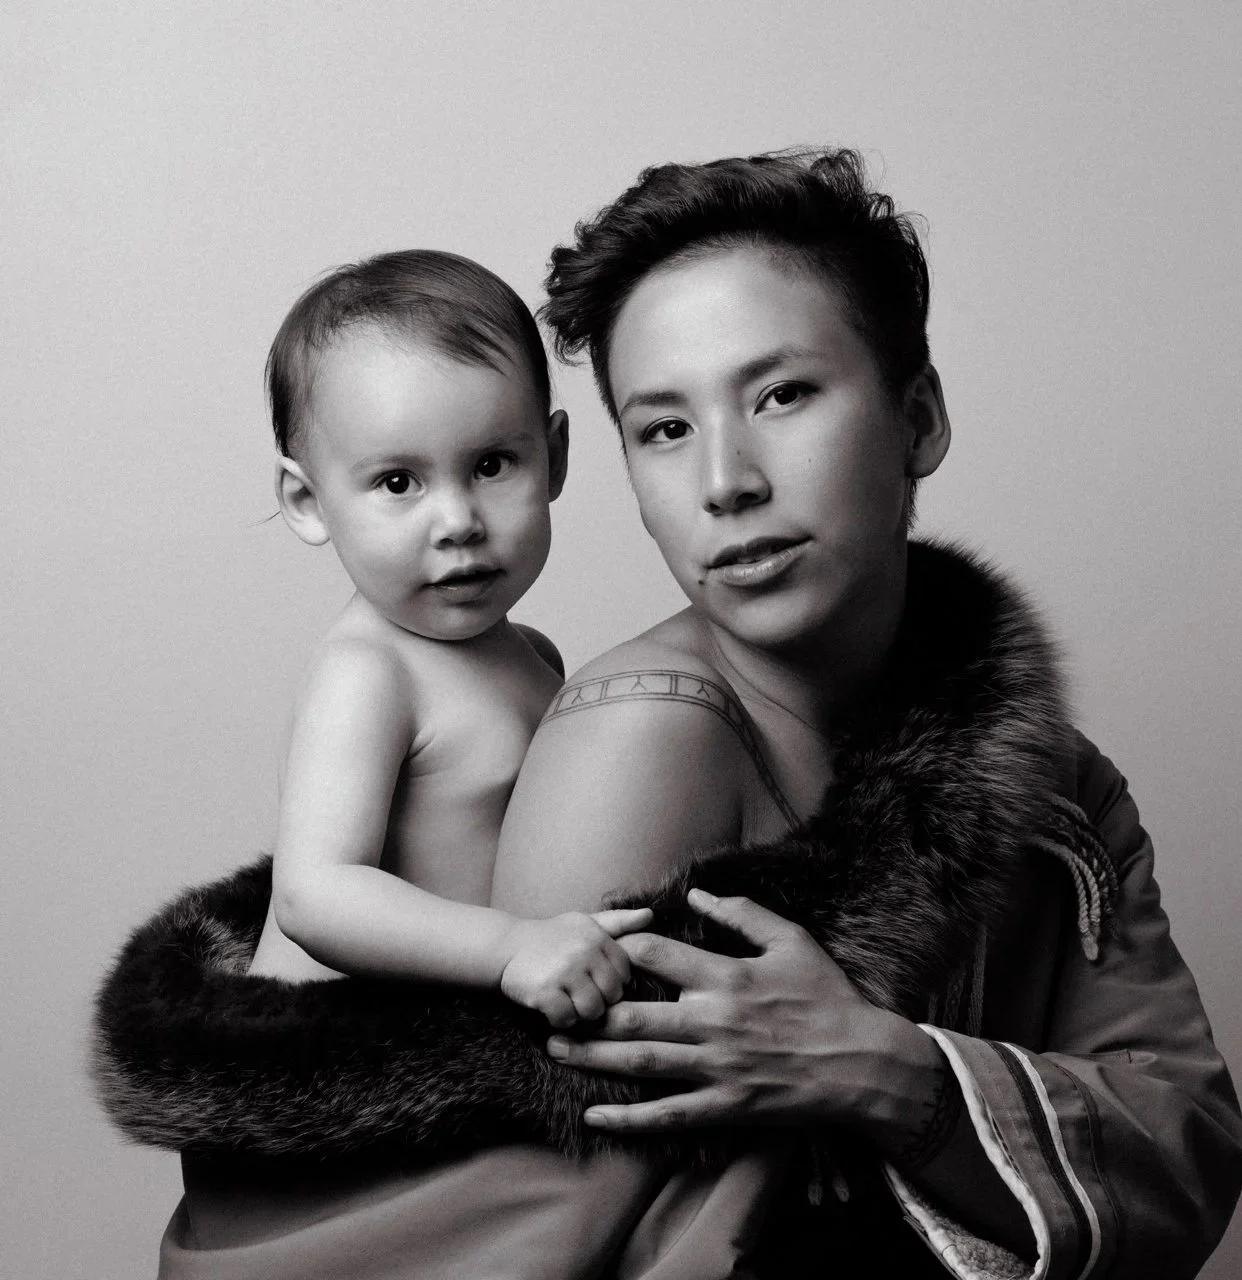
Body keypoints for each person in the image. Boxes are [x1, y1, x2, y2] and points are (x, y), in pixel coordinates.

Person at [94, 151, 1242, 1279]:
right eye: (666, 426)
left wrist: (891, 1076)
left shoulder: (1051, 780)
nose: (727, 479)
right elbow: (544, 1212)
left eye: (783, 394)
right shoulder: (632, 739)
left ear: (919, 416)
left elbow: (1185, 1133)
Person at [246, 249, 651, 1021]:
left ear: (555, 457)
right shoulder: (368, 674)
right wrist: (510, 948)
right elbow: (314, 893)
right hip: (328, 1075)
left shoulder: (534, 657)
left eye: (493, 464)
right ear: (307, 500)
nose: (459, 522)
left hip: (469, 1045)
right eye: (398, 483)